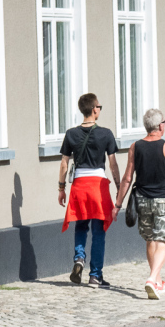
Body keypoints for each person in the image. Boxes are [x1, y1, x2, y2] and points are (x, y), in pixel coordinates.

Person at [113, 109, 165, 300]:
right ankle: (151, 278)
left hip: (142, 201)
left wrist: (117, 204)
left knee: (150, 239)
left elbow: (127, 178)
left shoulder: (135, 147)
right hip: (163, 200)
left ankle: (157, 281)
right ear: (160, 126)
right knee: (163, 240)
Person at [59, 94, 120, 288]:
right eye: (99, 106)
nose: (100, 109)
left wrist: (61, 188)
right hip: (97, 186)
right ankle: (95, 276)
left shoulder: (71, 134)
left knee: (81, 225)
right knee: (99, 231)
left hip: (79, 186)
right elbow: (113, 164)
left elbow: (63, 164)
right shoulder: (106, 134)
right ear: (94, 109)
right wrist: (119, 188)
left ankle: (79, 258)